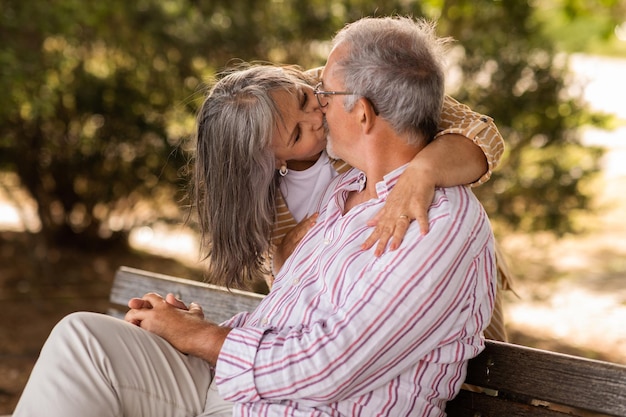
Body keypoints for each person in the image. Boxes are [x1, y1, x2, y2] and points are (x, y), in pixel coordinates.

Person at [13, 16, 496, 417]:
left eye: (321, 95)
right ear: (271, 158)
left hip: (293, 405)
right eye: (302, 118)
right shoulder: (339, 193)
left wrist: (200, 336)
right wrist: (198, 329)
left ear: (362, 114)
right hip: (241, 386)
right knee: (82, 341)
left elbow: (329, 366)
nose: (319, 108)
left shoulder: (433, 219)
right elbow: (294, 315)